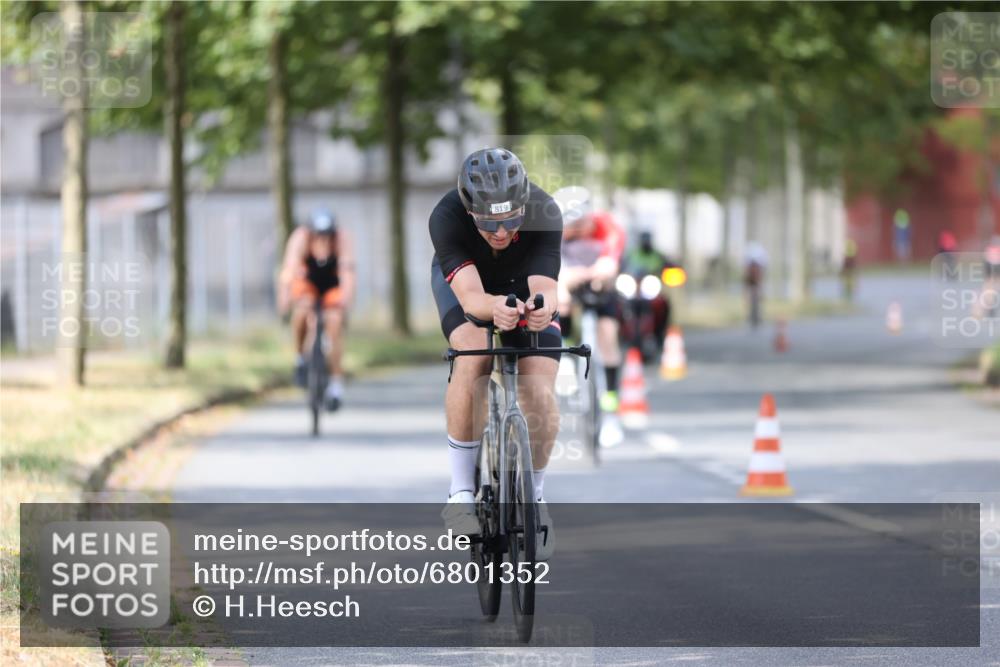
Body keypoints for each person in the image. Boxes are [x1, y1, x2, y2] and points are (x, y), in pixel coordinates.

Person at [429, 148, 561, 558]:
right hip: (469, 284)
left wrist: (541, 311)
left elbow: (548, 289)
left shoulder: (545, 210)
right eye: (489, 223)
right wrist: (496, 311)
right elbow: (470, 299)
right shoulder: (446, 216)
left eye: (511, 220)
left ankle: (535, 495)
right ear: (471, 212)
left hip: (521, 283)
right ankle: (461, 490)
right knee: (475, 352)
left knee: (538, 389)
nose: (501, 232)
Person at [553, 186, 626, 431]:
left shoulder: (606, 225)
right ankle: (563, 355)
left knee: (608, 338)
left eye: (578, 224)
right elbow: (554, 270)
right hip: (570, 283)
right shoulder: (555, 232)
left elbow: (609, 265)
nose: (574, 231)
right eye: (568, 226)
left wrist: (593, 273)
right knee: (560, 292)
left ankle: (610, 407)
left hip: (600, 284)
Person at [278, 209, 355, 411]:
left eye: (327, 236)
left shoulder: (341, 239)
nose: (323, 241)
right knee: (301, 312)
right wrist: (285, 299)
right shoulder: (300, 238)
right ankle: (300, 359)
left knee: (334, 321)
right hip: (309, 282)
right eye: (319, 236)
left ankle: (336, 386)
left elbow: (347, 273)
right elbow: (289, 270)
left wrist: (346, 300)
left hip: (332, 284)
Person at [744, 242, 768, 329]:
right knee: (750, 291)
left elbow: (762, 269)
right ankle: (750, 313)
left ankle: (757, 313)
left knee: (757, 290)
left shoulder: (756, 256)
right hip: (751, 275)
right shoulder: (754, 255)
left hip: (756, 273)